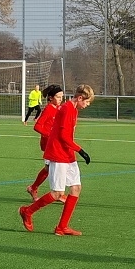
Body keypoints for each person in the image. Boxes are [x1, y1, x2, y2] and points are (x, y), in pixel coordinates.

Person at [20, 84, 94, 236]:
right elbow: (63, 136)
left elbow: (67, 135)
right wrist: (81, 150)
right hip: (58, 153)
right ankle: (27, 211)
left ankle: (62, 227)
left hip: (67, 153)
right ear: (80, 98)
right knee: (57, 193)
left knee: (76, 188)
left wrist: (75, 151)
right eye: (87, 102)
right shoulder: (67, 109)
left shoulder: (73, 109)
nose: (87, 105)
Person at [26, 84, 65, 201]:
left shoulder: (58, 108)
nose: (61, 99)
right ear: (50, 98)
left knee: (53, 168)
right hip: (48, 144)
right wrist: (50, 135)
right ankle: (55, 193)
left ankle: (36, 188)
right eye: (58, 97)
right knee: (53, 168)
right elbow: (37, 126)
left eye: (62, 97)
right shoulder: (48, 109)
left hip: (56, 143)